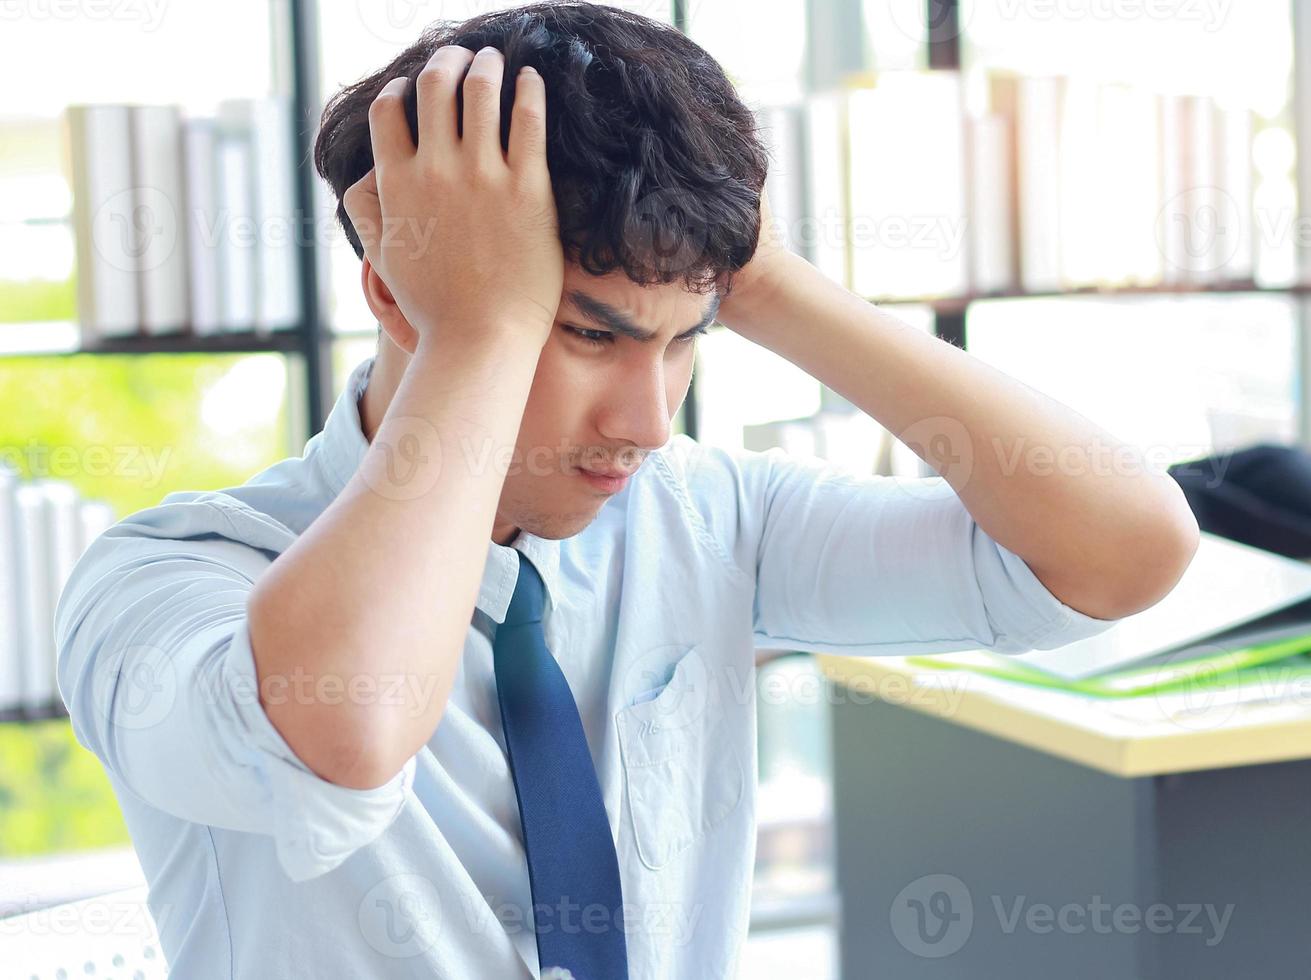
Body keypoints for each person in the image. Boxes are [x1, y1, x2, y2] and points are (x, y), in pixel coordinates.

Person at [54, 4, 1199, 977]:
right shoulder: (166, 581)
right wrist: (483, 324)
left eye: (681, 342)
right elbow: (345, 732)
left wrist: (767, 281)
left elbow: (1121, 551)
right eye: (589, 335)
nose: (647, 423)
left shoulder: (705, 518)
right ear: (400, 298)